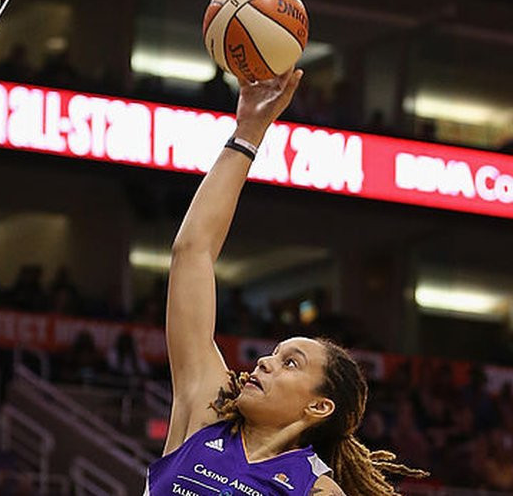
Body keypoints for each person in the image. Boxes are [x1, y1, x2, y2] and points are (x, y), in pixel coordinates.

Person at [146, 69, 427, 495]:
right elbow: (192, 252)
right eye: (276, 355)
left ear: (319, 406)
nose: (263, 363)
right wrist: (249, 132)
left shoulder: (318, 490)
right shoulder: (206, 413)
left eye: (289, 363)